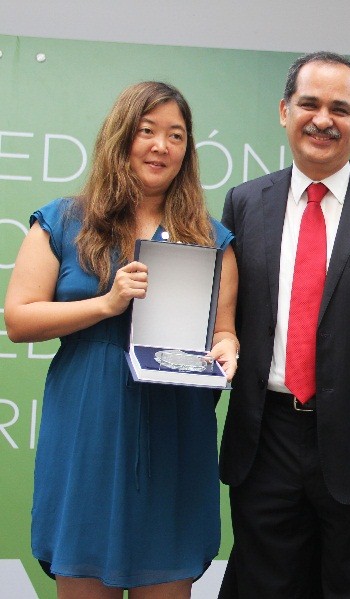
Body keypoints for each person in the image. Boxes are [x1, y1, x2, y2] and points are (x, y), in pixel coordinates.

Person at [4, 81, 239, 598]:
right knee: (84, 569)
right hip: (89, 420)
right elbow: (18, 320)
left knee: (167, 570)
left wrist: (228, 349)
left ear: (187, 150)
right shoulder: (64, 221)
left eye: (175, 136)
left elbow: (223, 330)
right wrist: (106, 304)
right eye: (147, 131)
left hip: (175, 425)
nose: (161, 146)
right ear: (120, 138)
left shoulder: (210, 237)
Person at [217, 51, 350, 599]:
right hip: (265, 436)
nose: (323, 119)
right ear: (284, 110)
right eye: (309, 103)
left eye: (340, 108)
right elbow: (223, 315)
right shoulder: (245, 204)